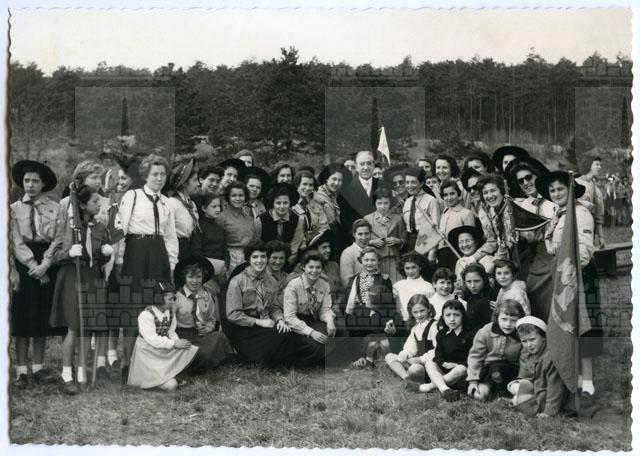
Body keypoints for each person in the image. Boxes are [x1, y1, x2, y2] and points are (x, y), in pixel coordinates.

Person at [536, 170, 602, 396]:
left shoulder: (580, 213)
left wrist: (569, 273)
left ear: (571, 190)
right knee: (568, 322)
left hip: (579, 275)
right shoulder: (559, 214)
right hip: (563, 274)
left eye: (560, 189)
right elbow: (552, 246)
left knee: (584, 324)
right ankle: (576, 373)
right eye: (552, 190)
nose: (556, 193)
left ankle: (588, 379)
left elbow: (583, 251)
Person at [115, 154, 179, 382]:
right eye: (155, 174)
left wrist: (171, 264)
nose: (159, 178)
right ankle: (127, 364)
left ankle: (152, 364)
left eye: (163, 174)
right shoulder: (132, 196)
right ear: (145, 175)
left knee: (156, 307)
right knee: (134, 309)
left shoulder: (167, 203)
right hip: (136, 253)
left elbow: (170, 236)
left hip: (158, 254)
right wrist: (120, 260)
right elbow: (121, 228)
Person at [50, 185, 113, 393]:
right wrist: (68, 253)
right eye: (95, 201)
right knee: (74, 326)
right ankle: (67, 375)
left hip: (92, 277)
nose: (99, 204)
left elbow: (101, 259)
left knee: (89, 325)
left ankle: (81, 373)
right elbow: (55, 256)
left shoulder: (101, 227)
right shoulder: (69, 226)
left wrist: (105, 253)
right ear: (83, 205)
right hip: (72, 276)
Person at [10, 160, 64, 386]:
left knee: (42, 316)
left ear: (43, 184)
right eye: (26, 181)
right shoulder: (13, 209)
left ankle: (39, 368)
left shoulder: (56, 208)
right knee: (22, 318)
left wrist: (45, 265)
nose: (30, 185)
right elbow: (15, 240)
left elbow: (58, 239)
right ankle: (22, 371)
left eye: (35, 181)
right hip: (24, 264)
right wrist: (33, 265)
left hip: (47, 262)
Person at [225, 241, 317, 366]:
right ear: (248, 259)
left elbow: (273, 307)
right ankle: (256, 358)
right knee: (279, 341)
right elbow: (232, 314)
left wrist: (280, 320)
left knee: (287, 334)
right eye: (255, 257)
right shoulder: (237, 281)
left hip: (265, 323)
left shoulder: (271, 281)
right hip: (244, 328)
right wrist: (259, 322)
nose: (259, 261)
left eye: (263, 257)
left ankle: (270, 359)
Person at [504, 156, 556, 313]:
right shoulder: (523, 206)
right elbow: (526, 235)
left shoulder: (552, 199)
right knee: (532, 290)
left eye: (529, 178)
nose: (526, 183)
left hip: (554, 252)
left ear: (537, 176)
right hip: (536, 255)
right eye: (521, 181)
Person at [128, 281, 198, 391]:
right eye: (170, 299)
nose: (173, 302)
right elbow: (152, 339)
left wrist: (177, 342)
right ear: (159, 298)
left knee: (189, 349)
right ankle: (153, 380)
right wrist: (173, 343)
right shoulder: (146, 315)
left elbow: (171, 331)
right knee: (171, 386)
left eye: (174, 298)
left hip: (161, 349)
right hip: (147, 354)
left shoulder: (170, 312)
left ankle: (168, 375)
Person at [173, 256, 233, 373]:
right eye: (190, 277)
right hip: (182, 336)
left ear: (203, 277)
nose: (195, 281)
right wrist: (175, 341)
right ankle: (196, 363)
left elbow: (211, 319)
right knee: (201, 353)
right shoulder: (177, 298)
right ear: (184, 277)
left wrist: (208, 329)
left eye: (198, 277)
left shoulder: (206, 296)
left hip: (200, 336)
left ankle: (209, 360)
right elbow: (170, 325)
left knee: (220, 336)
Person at [344, 247, 398, 367]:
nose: (369, 263)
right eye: (366, 260)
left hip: (380, 315)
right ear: (361, 260)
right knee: (355, 330)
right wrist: (351, 315)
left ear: (378, 261)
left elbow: (389, 303)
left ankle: (380, 358)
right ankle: (359, 357)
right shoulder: (355, 279)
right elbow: (350, 303)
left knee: (381, 335)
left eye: (373, 260)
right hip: (360, 314)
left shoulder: (385, 279)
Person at [509, 316, 572, 417]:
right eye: (524, 341)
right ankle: (522, 400)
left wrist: (548, 412)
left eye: (532, 339)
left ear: (543, 337)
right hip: (535, 389)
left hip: (549, 394)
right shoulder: (526, 352)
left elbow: (555, 387)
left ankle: (526, 403)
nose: (529, 345)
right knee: (514, 386)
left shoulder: (551, 356)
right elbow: (524, 376)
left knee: (522, 404)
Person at [283, 251, 337, 365]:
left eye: (318, 267)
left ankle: (322, 355)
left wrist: (330, 320)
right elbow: (289, 317)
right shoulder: (293, 285)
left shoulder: (324, 284)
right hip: (297, 325)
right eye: (311, 267)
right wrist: (311, 332)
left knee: (336, 331)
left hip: (313, 320)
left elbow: (325, 310)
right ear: (303, 267)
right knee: (317, 345)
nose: (314, 271)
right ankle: (299, 361)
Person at [466, 299, 525, 401]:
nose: (508, 324)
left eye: (513, 320)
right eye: (504, 319)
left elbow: (525, 360)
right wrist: (473, 380)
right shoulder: (486, 331)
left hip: (511, 372)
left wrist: (521, 380)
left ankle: (504, 392)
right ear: (497, 317)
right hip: (489, 371)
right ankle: (492, 391)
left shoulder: (522, 334)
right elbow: (475, 356)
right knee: (479, 396)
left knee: (499, 368)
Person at [420, 299, 474, 401]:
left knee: (461, 369)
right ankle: (445, 390)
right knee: (430, 363)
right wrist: (444, 363)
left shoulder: (470, 334)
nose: (452, 319)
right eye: (448, 315)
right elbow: (438, 357)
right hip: (446, 371)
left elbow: (474, 358)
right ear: (443, 317)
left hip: (462, 374)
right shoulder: (442, 334)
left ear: (463, 316)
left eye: (456, 315)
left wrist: (456, 365)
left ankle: (430, 386)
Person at [384, 295, 438, 384]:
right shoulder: (415, 328)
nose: (419, 315)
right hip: (418, 362)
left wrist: (420, 359)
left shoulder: (434, 326)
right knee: (389, 356)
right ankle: (406, 378)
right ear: (411, 313)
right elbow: (410, 348)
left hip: (431, 364)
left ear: (428, 309)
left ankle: (417, 377)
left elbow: (438, 350)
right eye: (415, 312)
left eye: (422, 311)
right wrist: (404, 356)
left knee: (414, 369)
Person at [256, 183, 305, 267]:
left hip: (288, 262)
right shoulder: (260, 220)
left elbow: (294, 247)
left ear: (290, 203)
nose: (282, 206)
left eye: (285, 203)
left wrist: (284, 264)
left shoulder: (298, 220)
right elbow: (258, 245)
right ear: (273, 203)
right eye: (278, 203)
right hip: (265, 262)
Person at [364, 187, 406, 283]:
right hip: (375, 260)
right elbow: (362, 241)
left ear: (390, 203)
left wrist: (397, 241)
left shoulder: (398, 218)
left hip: (394, 259)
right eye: (379, 203)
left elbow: (404, 240)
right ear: (374, 203)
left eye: (385, 203)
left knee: (396, 283)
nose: (382, 206)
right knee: (377, 285)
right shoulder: (368, 219)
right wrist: (372, 242)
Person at [217, 181, 258, 275]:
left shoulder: (249, 218)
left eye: (241, 195)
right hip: (230, 259)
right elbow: (218, 243)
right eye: (234, 195)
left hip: (248, 258)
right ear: (228, 197)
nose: (238, 198)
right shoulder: (221, 217)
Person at [339, 150, 379, 241]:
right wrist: (357, 237)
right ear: (356, 167)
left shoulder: (383, 185)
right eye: (362, 164)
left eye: (369, 163)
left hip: (379, 239)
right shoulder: (345, 190)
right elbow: (344, 218)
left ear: (373, 165)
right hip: (355, 240)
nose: (366, 167)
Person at [401, 167, 441, 259]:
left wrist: (432, 251)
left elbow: (436, 229)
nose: (409, 185)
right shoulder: (407, 202)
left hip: (425, 242)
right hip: (409, 242)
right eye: (407, 182)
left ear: (422, 183)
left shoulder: (431, 200)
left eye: (413, 182)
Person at [165, 159, 200, 260]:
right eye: (194, 180)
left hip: (190, 247)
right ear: (184, 184)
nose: (198, 184)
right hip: (176, 249)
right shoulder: (172, 203)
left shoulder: (191, 204)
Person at [437, 180, 476, 271]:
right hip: (443, 254)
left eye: (452, 194)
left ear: (459, 195)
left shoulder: (466, 213)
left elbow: (471, 239)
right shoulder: (444, 213)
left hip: (458, 254)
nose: (449, 198)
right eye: (445, 195)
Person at [191, 193, 229, 285]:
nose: (218, 209)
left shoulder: (220, 229)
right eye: (214, 206)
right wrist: (208, 268)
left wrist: (225, 267)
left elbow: (225, 251)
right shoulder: (199, 227)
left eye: (219, 206)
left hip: (220, 272)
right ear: (204, 208)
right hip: (204, 271)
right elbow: (196, 252)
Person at [476, 173, 513, 261]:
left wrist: (496, 261)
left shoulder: (512, 208)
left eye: (493, 191)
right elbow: (493, 242)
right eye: (485, 193)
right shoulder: (491, 212)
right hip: (505, 256)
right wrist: (473, 258)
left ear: (502, 191)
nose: (489, 196)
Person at [392, 252, 435, 323]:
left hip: (423, 321)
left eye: (414, 267)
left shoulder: (427, 286)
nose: (410, 271)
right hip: (404, 322)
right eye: (407, 268)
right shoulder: (398, 285)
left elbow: (430, 307)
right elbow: (396, 307)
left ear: (420, 267)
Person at [292, 169, 329, 246]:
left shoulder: (317, 204)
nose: (308, 188)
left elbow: (324, 227)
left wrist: (314, 239)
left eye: (310, 185)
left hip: (316, 243)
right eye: (304, 184)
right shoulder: (290, 204)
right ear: (297, 185)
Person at [576, 157, 606, 249]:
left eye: (600, 165)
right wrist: (583, 203)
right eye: (597, 164)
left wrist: (601, 237)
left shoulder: (596, 189)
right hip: (576, 229)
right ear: (588, 165)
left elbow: (598, 215)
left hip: (590, 230)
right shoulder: (576, 183)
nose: (600, 167)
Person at [315, 163, 352, 234]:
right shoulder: (319, 196)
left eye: (340, 180)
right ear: (327, 179)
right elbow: (331, 222)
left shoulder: (334, 195)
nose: (336, 183)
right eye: (334, 179)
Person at [461, 264, 497, 333]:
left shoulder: (487, 301)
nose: (473, 285)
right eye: (469, 281)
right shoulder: (468, 296)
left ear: (484, 280)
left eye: (477, 281)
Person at [339, 219, 371, 288]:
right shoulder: (348, 253)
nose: (364, 237)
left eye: (366, 233)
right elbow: (347, 283)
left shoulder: (373, 251)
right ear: (354, 234)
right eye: (360, 234)